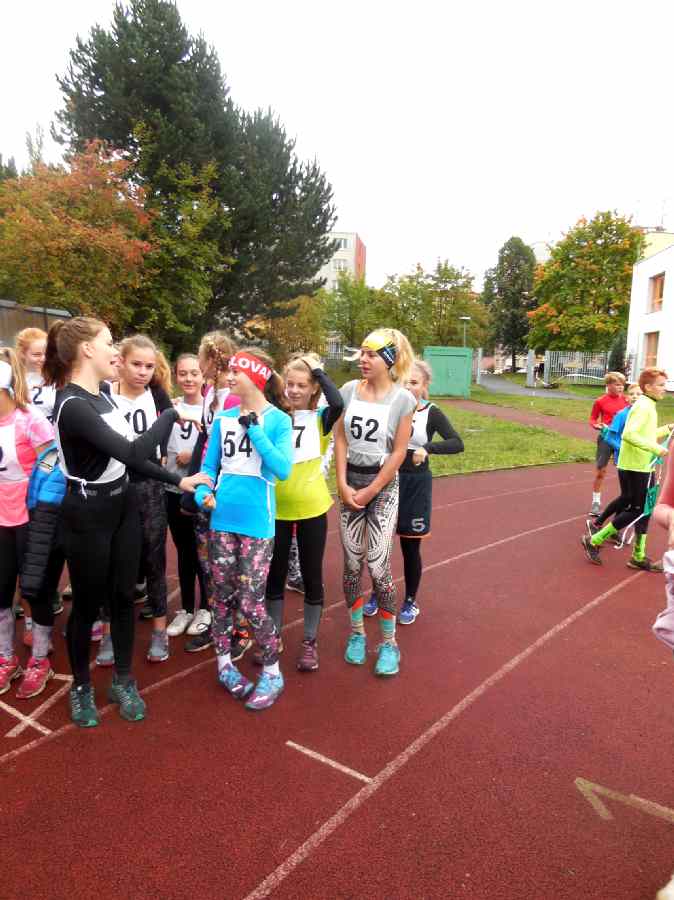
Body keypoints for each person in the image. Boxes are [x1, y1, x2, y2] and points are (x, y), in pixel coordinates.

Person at [45, 317, 208, 727]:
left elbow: (131, 462)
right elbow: (134, 452)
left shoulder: (101, 395)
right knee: (87, 605)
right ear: (86, 349)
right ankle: (82, 687)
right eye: (108, 342)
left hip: (123, 507)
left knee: (122, 597)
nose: (114, 350)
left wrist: (177, 479)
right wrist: (169, 416)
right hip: (88, 514)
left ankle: (122, 678)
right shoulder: (73, 405)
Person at [195, 348, 292, 710]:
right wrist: (203, 493)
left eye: (237, 371)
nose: (230, 377)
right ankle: (224, 664)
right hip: (221, 520)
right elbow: (209, 468)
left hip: (257, 525)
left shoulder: (279, 421)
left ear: (256, 376)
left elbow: (283, 469)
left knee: (251, 601)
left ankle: (272, 671)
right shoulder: (223, 418)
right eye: (230, 370)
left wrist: (254, 429)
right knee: (221, 597)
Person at [334, 327, 416, 677]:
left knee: (379, 567)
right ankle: (356, 634)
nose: (362, 360)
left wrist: (371, 490)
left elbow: (398, 452)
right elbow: (339, 438)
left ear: (388, 360)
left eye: (370, 355)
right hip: (349, 483)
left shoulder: (403, 400)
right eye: (362, 354)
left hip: (382, 488)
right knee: (352, 566)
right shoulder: (348, 391)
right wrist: (341, 483)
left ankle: (389, 642)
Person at [365, 359, 464, 625]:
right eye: (403, 381)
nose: (408, 387)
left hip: (416, 485)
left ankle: (410, 600)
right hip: (387, 479)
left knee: (410, 546)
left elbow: (457, 443)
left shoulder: (432, 412)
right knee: (380, 544)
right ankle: (377, 593)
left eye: (414, 382)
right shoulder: (388, 408)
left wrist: (428, 448)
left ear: (425, 385)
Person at [263, 353, 343, 671]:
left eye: (302, 385)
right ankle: (273, 637)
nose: (294, 390)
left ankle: (310, 641)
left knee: (312, 575)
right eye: (290, 384)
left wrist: (318, 371)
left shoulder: (321, 418)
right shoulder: (274, 416)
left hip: (311, 507)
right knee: (275, 575)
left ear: (313, 389)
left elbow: (338, 402)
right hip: (276, 509)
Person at [100, 334, 176, 665]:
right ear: (120, 361)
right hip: (114, 485)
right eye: (136, 364)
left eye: (149, 366)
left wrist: (162, 453)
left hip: (149, 487)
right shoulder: (104, 394)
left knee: (154, 559)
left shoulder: (156, 394)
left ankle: (159, 630)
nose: (143, 372)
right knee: (111, 563)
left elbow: (169, 421)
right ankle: (108, 632)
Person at [0, 348, 59, 699]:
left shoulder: (30, 420)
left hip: (30, 517)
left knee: (36, 589)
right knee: (0, 590)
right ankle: (6, 658)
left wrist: (37, 498)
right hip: (0, 519)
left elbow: (52, 463)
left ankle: (39, 659)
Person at [582, 367, 672, 571]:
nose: (664, 389)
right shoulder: (644, 406)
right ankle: (594, 539)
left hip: (640, 465)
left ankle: (638, 556)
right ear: (648, 387)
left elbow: (645, 434)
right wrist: (656, 449)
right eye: (660, 385)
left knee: (644, 510)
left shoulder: (647, 404)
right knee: (638, 509)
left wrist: (667, 429)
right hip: (637, 466)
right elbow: (629, 435)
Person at [165, 354, 208, 637]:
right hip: (173, 490)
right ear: (175, 376)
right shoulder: (170, 409)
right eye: (183, 373)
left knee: (203, 551)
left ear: (203, 376)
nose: (189, 379)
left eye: (194, 373)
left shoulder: (211, 409)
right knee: (184, 550)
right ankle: (186, 609)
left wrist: (192, 456)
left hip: (201, 493)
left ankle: (206, 607)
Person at [587, 382, 641, 544]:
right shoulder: (623, 414)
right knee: (627, 497)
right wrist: (623, 449)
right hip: (625, 460)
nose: (635, 397)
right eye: (632, 394)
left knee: (628, 498)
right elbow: (610, 437)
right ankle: (599, 524)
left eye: (639, 394)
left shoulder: (641, 414)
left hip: (636, 461)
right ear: (627, 397)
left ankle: (604, 526)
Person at [588, 371, 627, 515]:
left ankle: (625, 501)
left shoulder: (628, 400)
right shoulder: (600, 401)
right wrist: (597, 425)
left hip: (623, 440)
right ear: (609, 385)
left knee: (625, 472)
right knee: (601, 471)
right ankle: (596, 502)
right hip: (605, 439)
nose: (621, 387)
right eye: (617, 384)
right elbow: (592, 418)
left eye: (622, 385)